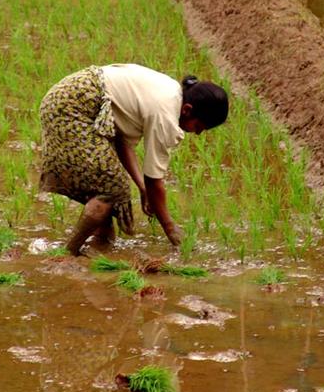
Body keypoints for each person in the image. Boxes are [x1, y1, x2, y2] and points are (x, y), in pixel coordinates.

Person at [39, 63, 228, 255]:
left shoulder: (171, 92)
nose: (197, 133)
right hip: (71, 107)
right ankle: (68, 253)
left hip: (66, 96)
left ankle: (102, 239)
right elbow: (154, 180)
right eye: (199, 127)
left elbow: (124, 144)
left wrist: (142, 188)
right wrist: (171, 229)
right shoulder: (165, 113)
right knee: (112, 189)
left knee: (106, 177)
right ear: (187, 110)